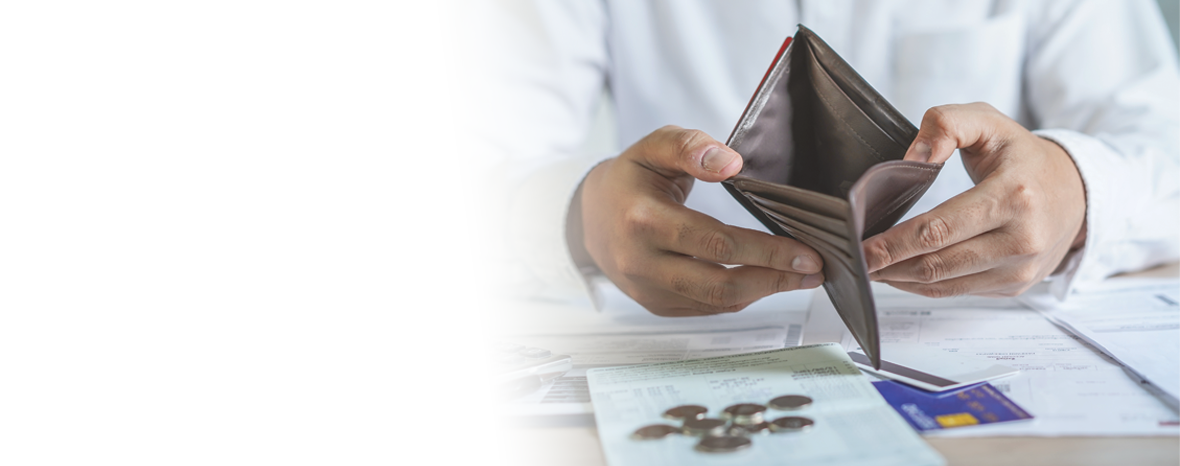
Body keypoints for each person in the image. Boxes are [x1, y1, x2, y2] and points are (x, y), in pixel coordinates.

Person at [437, 0, 1180, 316]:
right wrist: (577, 220)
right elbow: (437, 176)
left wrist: (1079, 189)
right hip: (683, 346)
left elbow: (1163, 142)